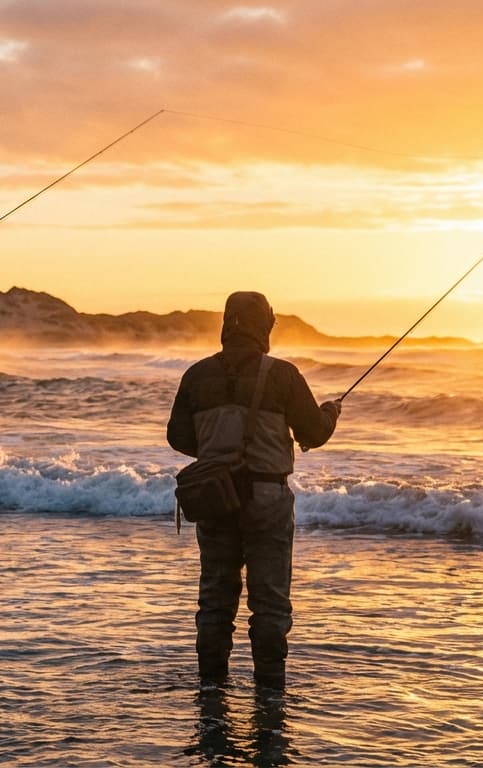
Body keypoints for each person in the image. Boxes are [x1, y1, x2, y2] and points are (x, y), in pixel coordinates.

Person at [166, 291, 340, 690]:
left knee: (215, 600)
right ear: (265, 326)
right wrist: (331, 412)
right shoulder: (282, 374)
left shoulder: (197, 375)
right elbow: (313, 432)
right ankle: (269, 694)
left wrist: (216, 450)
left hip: (214, 497)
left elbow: (178, 436)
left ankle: (211, 689)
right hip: (267, 499)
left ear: (227, 324)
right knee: (270, 604)